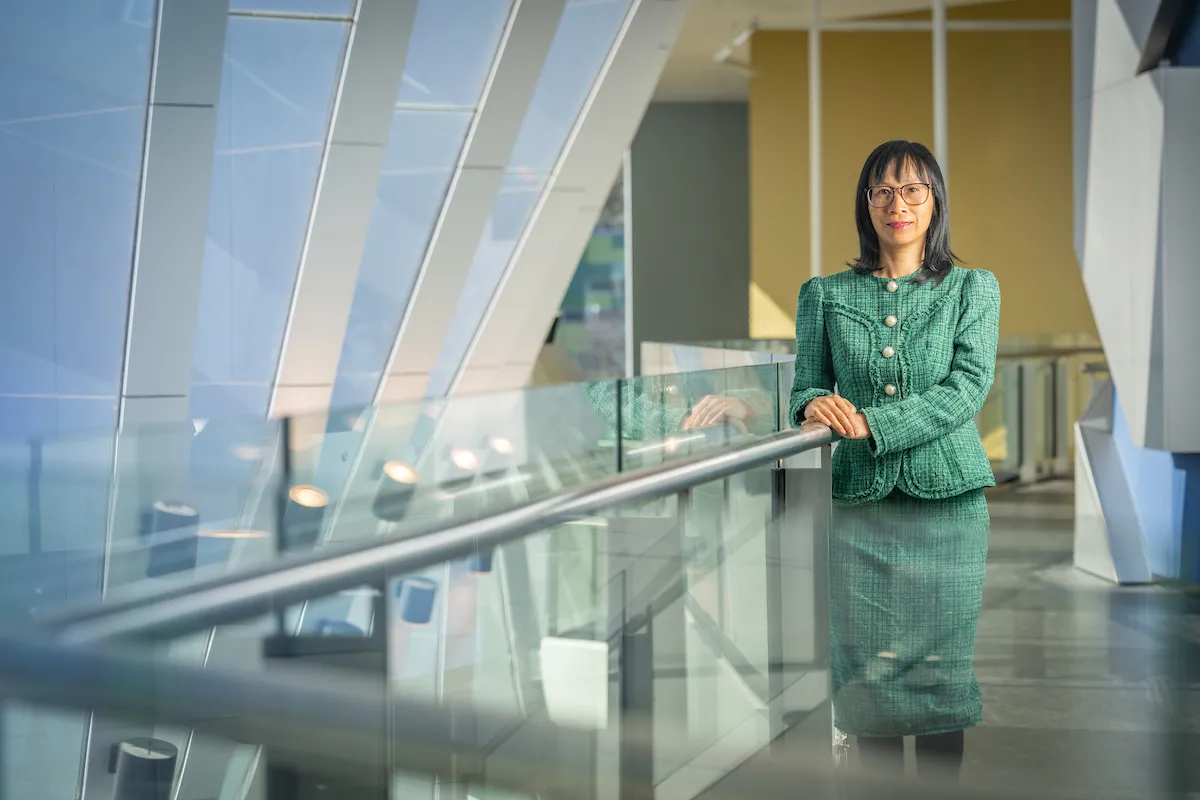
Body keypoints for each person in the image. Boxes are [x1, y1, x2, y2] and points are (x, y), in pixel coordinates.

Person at [789, 140, 1000, 781]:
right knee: (866, 681)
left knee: (941, 677)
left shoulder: (973, 288)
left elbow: (966, 388)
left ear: (934, 203)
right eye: (882, 191)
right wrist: (816, 404)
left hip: (950, 508)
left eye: (912, 190)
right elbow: (804, 388)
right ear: (866, 205)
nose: (897, 204)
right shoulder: (822, 294)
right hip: (858, 510)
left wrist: (871, 424)